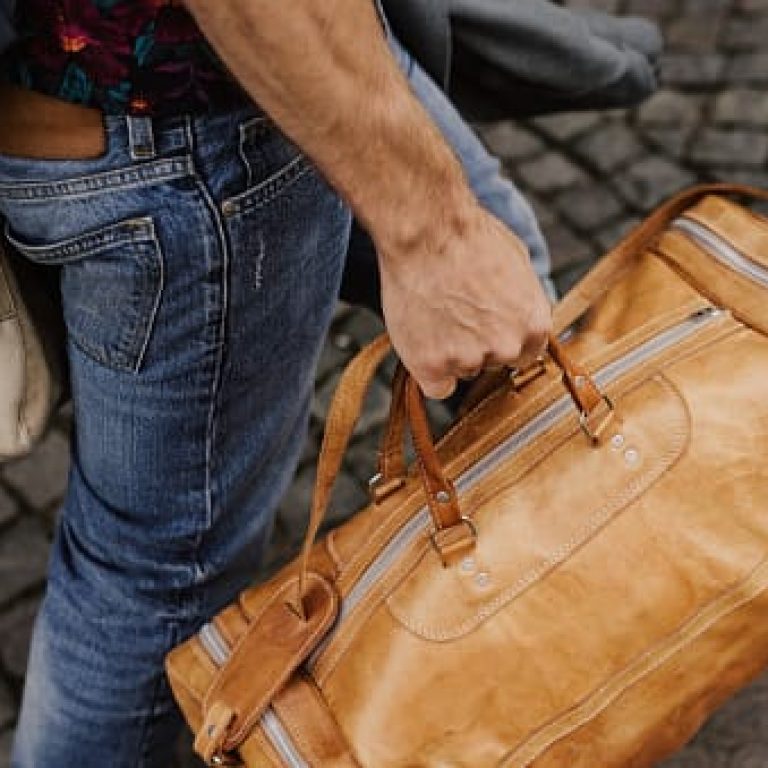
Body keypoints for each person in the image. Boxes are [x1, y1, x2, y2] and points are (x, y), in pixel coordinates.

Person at [0, 0, 552, 765]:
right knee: (155, 575)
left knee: (519, 296)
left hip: (256, 68)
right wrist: (433, 232)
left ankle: (534, 632)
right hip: (198, 123)